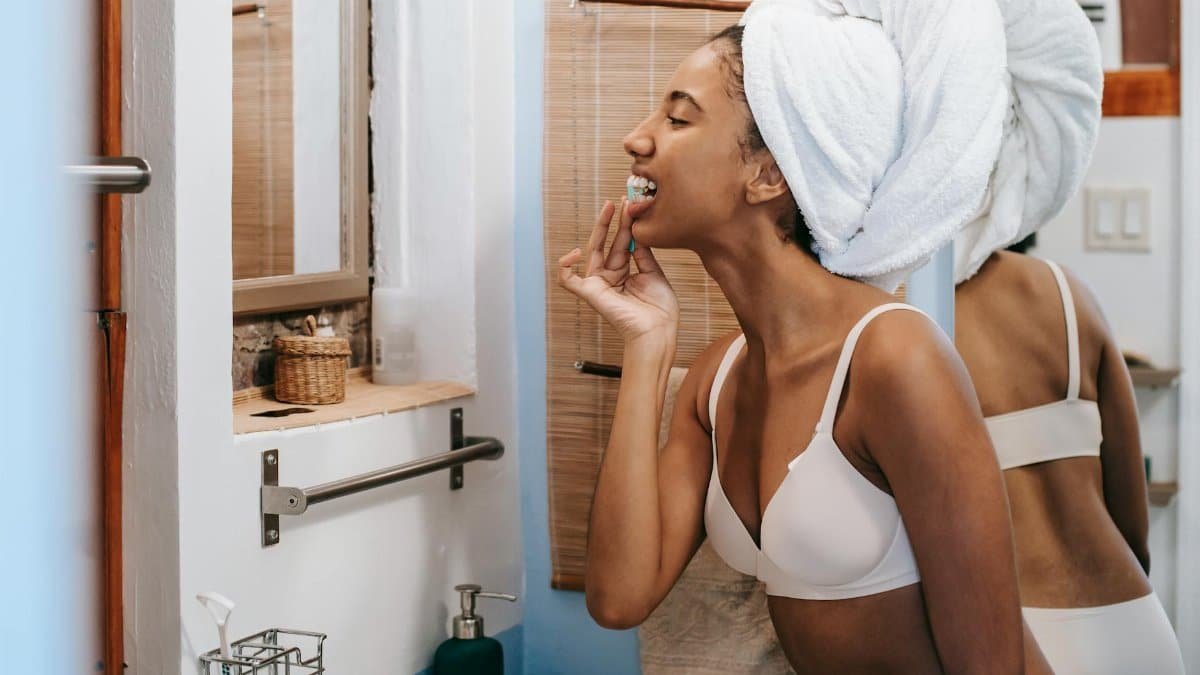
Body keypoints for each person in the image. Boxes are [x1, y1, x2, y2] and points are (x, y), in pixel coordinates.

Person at [556, 9, 1045, 670]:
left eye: (677, 119)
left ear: (768, 174)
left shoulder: (895, 359)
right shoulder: (716, 379)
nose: (635, 139)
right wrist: (647, 343)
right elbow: (619, 598)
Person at [955, 244, 1186, 674]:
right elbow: (1133, 529)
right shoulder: (1068, 291)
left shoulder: (913, 318)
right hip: (1135, 625)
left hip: (1028, 638)